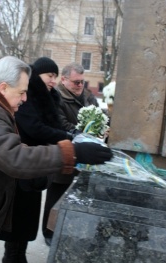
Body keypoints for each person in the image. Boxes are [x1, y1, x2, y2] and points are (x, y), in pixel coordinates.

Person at [0, 56, 112, 263]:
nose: (25, 98)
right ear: (4, 87)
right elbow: (15, 157)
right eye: (22, 92)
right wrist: (72, 152)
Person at [0, 57, 74, 263]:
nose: (53, 81)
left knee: (27, 218)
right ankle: (12, 258)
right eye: (50, 76)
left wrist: (67, 134)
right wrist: (67, 138)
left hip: (35, 167)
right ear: (37, 75)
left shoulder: (48, 98)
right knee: (18, 219)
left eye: (55, 77)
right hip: (22, 165)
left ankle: (18, 256)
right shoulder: (28, 97)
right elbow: (34, 127)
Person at [42, 62, 99, 245]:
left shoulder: (88, 97)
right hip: (63, 154)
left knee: (77, 198)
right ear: (64, 80)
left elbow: (100, 115)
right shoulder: (55, 97)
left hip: (85, 157)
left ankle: (68, 231)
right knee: (56, 195)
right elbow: (61, 124)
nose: (80, 86)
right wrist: (84, 134)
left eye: (83, 82)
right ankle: (48, 233)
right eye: (76, 82)